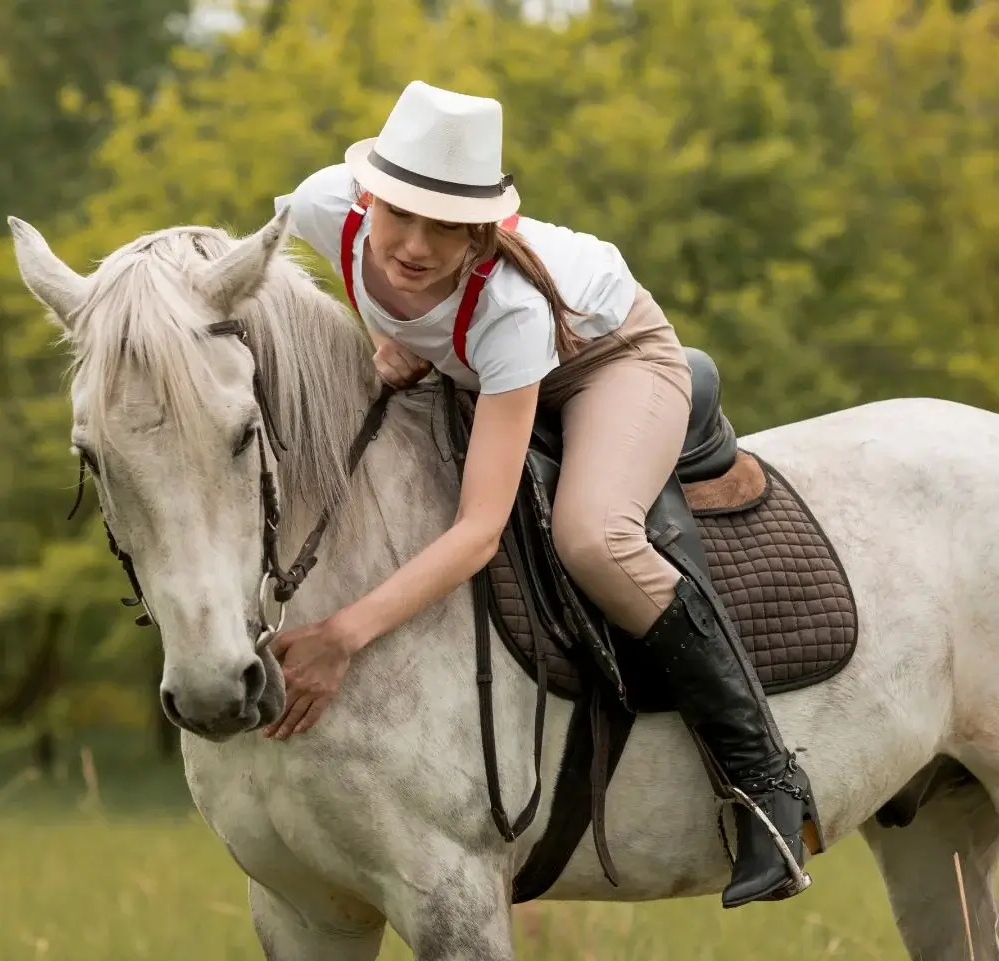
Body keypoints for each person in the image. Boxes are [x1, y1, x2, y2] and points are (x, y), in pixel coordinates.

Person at [262, 79, 817, 908]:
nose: (412, 246)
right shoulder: (318, 206)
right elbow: (354, 284)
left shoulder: (508, 307)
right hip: (483, 369)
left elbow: (480, 531)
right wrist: (387, 335)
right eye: (399, 214)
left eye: (446, 227)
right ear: (366, 195)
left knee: (593, 537)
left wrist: (343, 635)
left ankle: (768, 783)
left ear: (482, 229)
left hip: (611, 360)